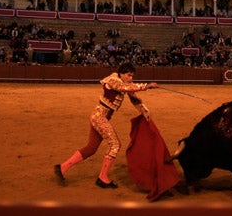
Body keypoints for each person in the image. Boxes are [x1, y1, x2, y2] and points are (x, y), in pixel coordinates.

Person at [54, 61, 158, 189]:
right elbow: (125, 88)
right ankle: (102, 178)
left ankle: (62, 167)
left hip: (98, 117)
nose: (130, 78)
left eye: (132, 76)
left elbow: (134, 98)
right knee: (115, 145)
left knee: (91, 148)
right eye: (129, 75)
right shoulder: (113, 80)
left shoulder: (125, 84)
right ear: (122, 74)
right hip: (100, 117)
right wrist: (146, 86)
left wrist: (144, 112)